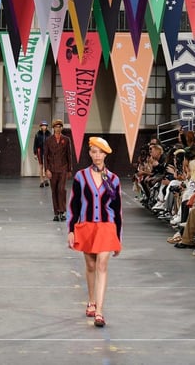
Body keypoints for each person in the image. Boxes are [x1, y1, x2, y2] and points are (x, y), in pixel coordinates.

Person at [66, 136, 122, 328]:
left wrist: (118, 237)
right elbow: (74, 204)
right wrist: (71, 230)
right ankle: (91, 301)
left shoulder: (114, 179)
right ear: (89, 153)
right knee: (90, 265)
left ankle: (99, 311)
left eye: (100, 152)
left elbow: (117, 209)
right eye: (94, 151)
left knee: (102, 265)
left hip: (107, 227)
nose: (97, 155)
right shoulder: (80, 177)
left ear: (106, 154)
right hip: (87, 226)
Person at [44, 119, 74, 222]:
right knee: (54, 191)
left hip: (63, 168)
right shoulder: (48, 140)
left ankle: (62, 211)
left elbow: (69, 155)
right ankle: (56, 213)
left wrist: (70, 169)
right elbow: (46, 155)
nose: (58, 128)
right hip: (52, 169)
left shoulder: (66, 139)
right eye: (56, 126)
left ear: (62, 128)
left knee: (61, 189)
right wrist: (46, 169)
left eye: (60, 126)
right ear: (53, 128)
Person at [33, 120, 51, 188]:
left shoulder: (49, 134)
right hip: (40, 151)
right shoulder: (37, 134)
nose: (44, 127)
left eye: (45, 125)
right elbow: (35, 144)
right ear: (40, 126)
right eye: (43, 125)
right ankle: (41, 181)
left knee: (47, 166)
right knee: (41, 166)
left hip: (47, 151)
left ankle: (46, 179)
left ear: (46, 127)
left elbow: (51, 144)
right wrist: (35, 153)